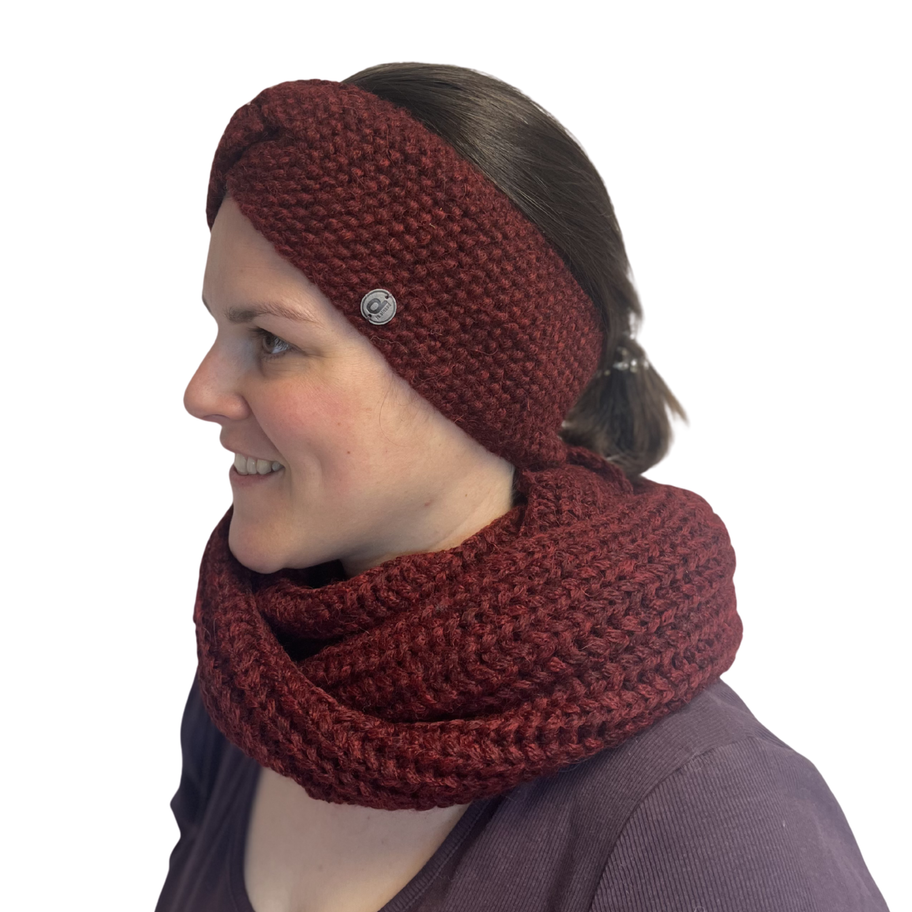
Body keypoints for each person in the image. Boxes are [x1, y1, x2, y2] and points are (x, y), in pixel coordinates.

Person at [156, 63, 888, 912]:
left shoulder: (708, 821)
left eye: (272, 341)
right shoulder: (255, 701)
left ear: (465, 379)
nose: (201, 392)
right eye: (218, 328)